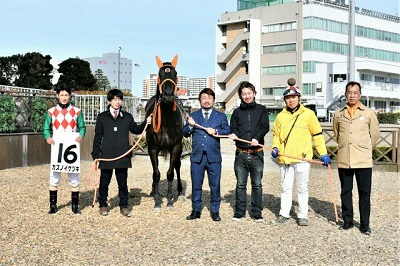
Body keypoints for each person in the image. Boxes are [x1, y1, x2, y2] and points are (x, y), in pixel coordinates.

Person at [271, 80, 331, 226]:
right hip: (285, 158)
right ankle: (284, 214)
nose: (291, 100)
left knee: (302, 187)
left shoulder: (309, 114)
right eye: (288, 98)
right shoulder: (280, 116)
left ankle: (302, 215)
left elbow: (317, 135)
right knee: (285, 188)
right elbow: (276, 136)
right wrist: (275, 148)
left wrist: (323, 153)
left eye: (294, 97)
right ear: (285, 100)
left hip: (303, 158)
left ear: (299, 98)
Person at [91, 89, 151, 217]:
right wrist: (96, 154)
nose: (118, 102)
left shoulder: (127, 116)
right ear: (109, 101)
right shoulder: (102, 117)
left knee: (122, 183)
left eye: (120, 99)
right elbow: (98, 137)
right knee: (104, 182)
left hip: (123, 155)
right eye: (115, 99)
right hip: (106, 155)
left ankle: (124, 206)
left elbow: (136, 130)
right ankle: (103, 205)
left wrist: (146, 122)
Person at [333, 81, 380, 235]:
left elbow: (375, 135)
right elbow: (337, 134)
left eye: (355, 92)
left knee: (364, 193)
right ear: (345, 94)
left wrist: (364, 148)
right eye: (349, 92)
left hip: (363, 160)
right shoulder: (339, 114)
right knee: (346, 191)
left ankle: (365, 224)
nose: (352, 95)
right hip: (345, 159)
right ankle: (348, 221)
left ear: (360, 94)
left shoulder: (368, 113)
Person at [183, 88, 231, 222]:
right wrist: (191, 126)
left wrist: (215, 131)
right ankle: (196, 210)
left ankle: (215, 211)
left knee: (215, 185)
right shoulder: (194, 115)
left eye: (209, 97)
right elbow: (185, 132)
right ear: (200, 100)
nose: (207, 100)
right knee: (196, 185)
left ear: (214, 100)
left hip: (214, 157)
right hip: (197, 157)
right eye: (204, 97)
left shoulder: (220, 116)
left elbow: (227, 130)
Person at [228, 81, 270, 222]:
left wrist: (257, 138)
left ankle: (256, 212)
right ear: (241, 95)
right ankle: (240, 212)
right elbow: (233, 128)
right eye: (244, 94)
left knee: (257, 184)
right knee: (240, 184)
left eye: (249, 93)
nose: (247, 96)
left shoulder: (262, 109)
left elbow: (265, 126)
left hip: (257, 153)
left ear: (254, 93)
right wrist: (233, 135)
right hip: (240, 153)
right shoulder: (236, 112)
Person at [43, 84, 86, 215]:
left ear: (70, 96)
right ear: (57, 96)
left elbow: (82, 127)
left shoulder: (77, 111)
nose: (64, 97)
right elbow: (46, 128)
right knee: (54, 176)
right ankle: (53, 205)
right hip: (57, 147)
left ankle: (75, 206)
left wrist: (81, 136)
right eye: (61, 95)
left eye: (66, 95)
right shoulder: (51, 111)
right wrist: (47, 137)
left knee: (74, 176)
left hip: (71, 146)